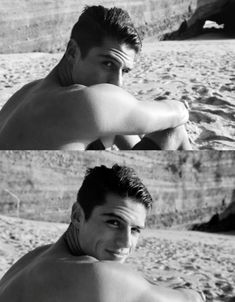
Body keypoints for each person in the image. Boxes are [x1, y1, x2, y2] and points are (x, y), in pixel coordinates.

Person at [0, 164, 204, 302]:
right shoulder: (94, 275)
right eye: (113, 222)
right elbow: (193, 298)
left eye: (135, 230)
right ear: (77, 215)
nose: (125, 242)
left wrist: (144, 283)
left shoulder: (35, 256)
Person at [0, 5, 191, 150]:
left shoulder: (26, 92)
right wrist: (180, 107)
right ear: (73, 51)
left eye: (124, 71)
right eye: (107, 64)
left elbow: (117, 118)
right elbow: (179, 113)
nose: (117, 83)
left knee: (114, 124)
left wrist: (127, 114)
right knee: (174, 130)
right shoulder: (83, 101)